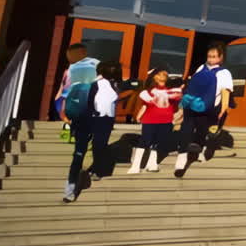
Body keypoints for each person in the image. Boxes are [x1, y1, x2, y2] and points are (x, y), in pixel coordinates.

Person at [63, 60, 121, 202]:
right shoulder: (91, 84)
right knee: (79, 155)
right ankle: (69, 189)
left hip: (105, 121)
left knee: (99, 146)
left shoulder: (114, 85)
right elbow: (86, 103)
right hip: (87, 120)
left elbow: (111, 102)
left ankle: (95, 169)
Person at [175, 44, 233, 177]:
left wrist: (224, 107)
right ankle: (181, 160)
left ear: (220, 57)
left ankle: (201, 151)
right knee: (186, 130)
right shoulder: (201, 67)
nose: (211, 59)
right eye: (209, 56)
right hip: (192, 105)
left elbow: (226, 91)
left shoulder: (224, 73)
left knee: (202, 132)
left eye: (214, 56)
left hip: (209, 107)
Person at [128, 67, 181, 175]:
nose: (162, 77)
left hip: (166, 120)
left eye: (165, 75)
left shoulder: (173, 91)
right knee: (144, 141)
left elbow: (175, 103)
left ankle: (152, 163)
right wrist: (139, 116)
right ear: (154, 77)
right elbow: (145, 104)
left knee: (158, 142)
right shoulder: (147, 92)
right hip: (150, 120)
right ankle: (135, 165)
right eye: (159, 75)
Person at [54, 43, 99, 141]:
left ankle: (72, 130)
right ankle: (70, 130)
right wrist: (58, 95)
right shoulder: (68, 71)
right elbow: (63, 84)